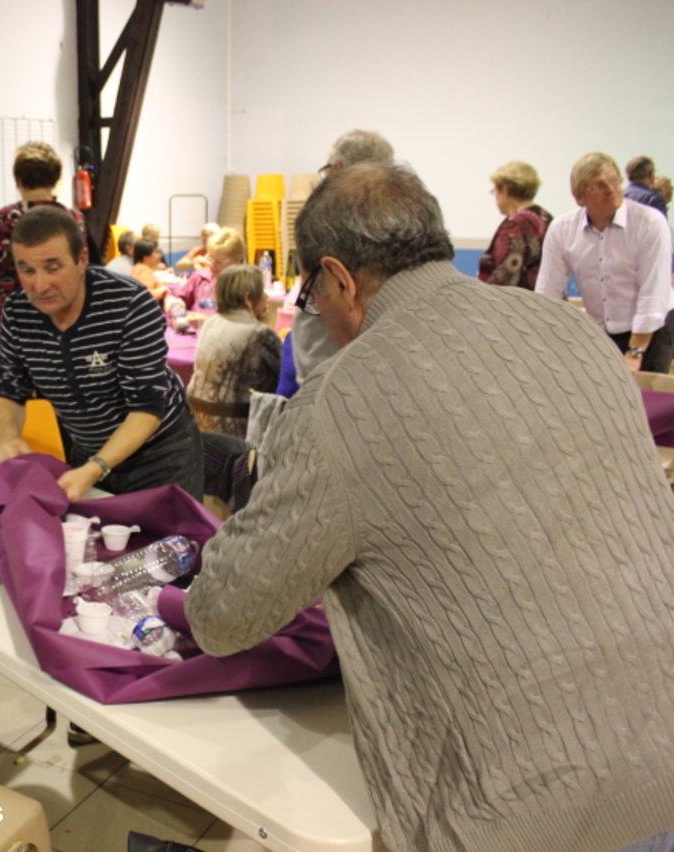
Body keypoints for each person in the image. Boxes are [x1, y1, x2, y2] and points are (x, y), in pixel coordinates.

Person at [185, 162, 674, 852]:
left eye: (313, 291)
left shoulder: (342, 399)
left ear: (340, 278)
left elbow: (222, 616)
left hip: (524, 813)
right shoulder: (574, 332)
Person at [0, 205, 201, 501]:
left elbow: (146, 408)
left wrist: (95, 468)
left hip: (161, 453)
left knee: (167, 532)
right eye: (27, 270)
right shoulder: (17, 312)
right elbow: (8, 389)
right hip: (90, 448)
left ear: (81, 260)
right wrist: (9, 436)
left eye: (53, 268)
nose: (39, 285)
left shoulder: (129, 304)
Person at [536, 152, 674, 375]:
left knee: (642, 393)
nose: (611, 189)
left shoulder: (650, 222)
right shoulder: (562, 229)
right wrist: (544, 344)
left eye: (614, 181)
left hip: (653, 328)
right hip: (602, 332)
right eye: (599, 186)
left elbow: (652, 292)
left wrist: (635, 353)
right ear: (580, 197)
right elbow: (547, 293)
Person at [289, 129, 395, 386]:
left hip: (326, 358)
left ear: (337, 168)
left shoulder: (321, 218)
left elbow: (313, 291)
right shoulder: (399, 220)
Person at [0, 141, 95, 346]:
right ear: (55, 179)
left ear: (18, 181)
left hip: (12, 331)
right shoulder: (76, 221)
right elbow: (94, 275)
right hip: (69, 329)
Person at [186, 264, 281, 437]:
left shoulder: (210, 323)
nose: (266, 297)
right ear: (248, 298)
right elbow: (285, 375)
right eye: (262, 292)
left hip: (197, 424)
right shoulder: (260, 333)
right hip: (238, 429)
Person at [477, 161, 553, 290]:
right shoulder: (546, 218)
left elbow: (504, 278)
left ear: (505, 190)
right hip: (547, 299)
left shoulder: (514, 225)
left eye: (495, 191)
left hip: (518, 301)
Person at [176, 228, 245, 311]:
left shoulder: (245, 286)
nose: (212, 265)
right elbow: (175, 297)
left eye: (218, 262)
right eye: (210, 259)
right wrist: (174, 303)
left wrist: (205, 318)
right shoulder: (200, 278)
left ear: (236, 260)